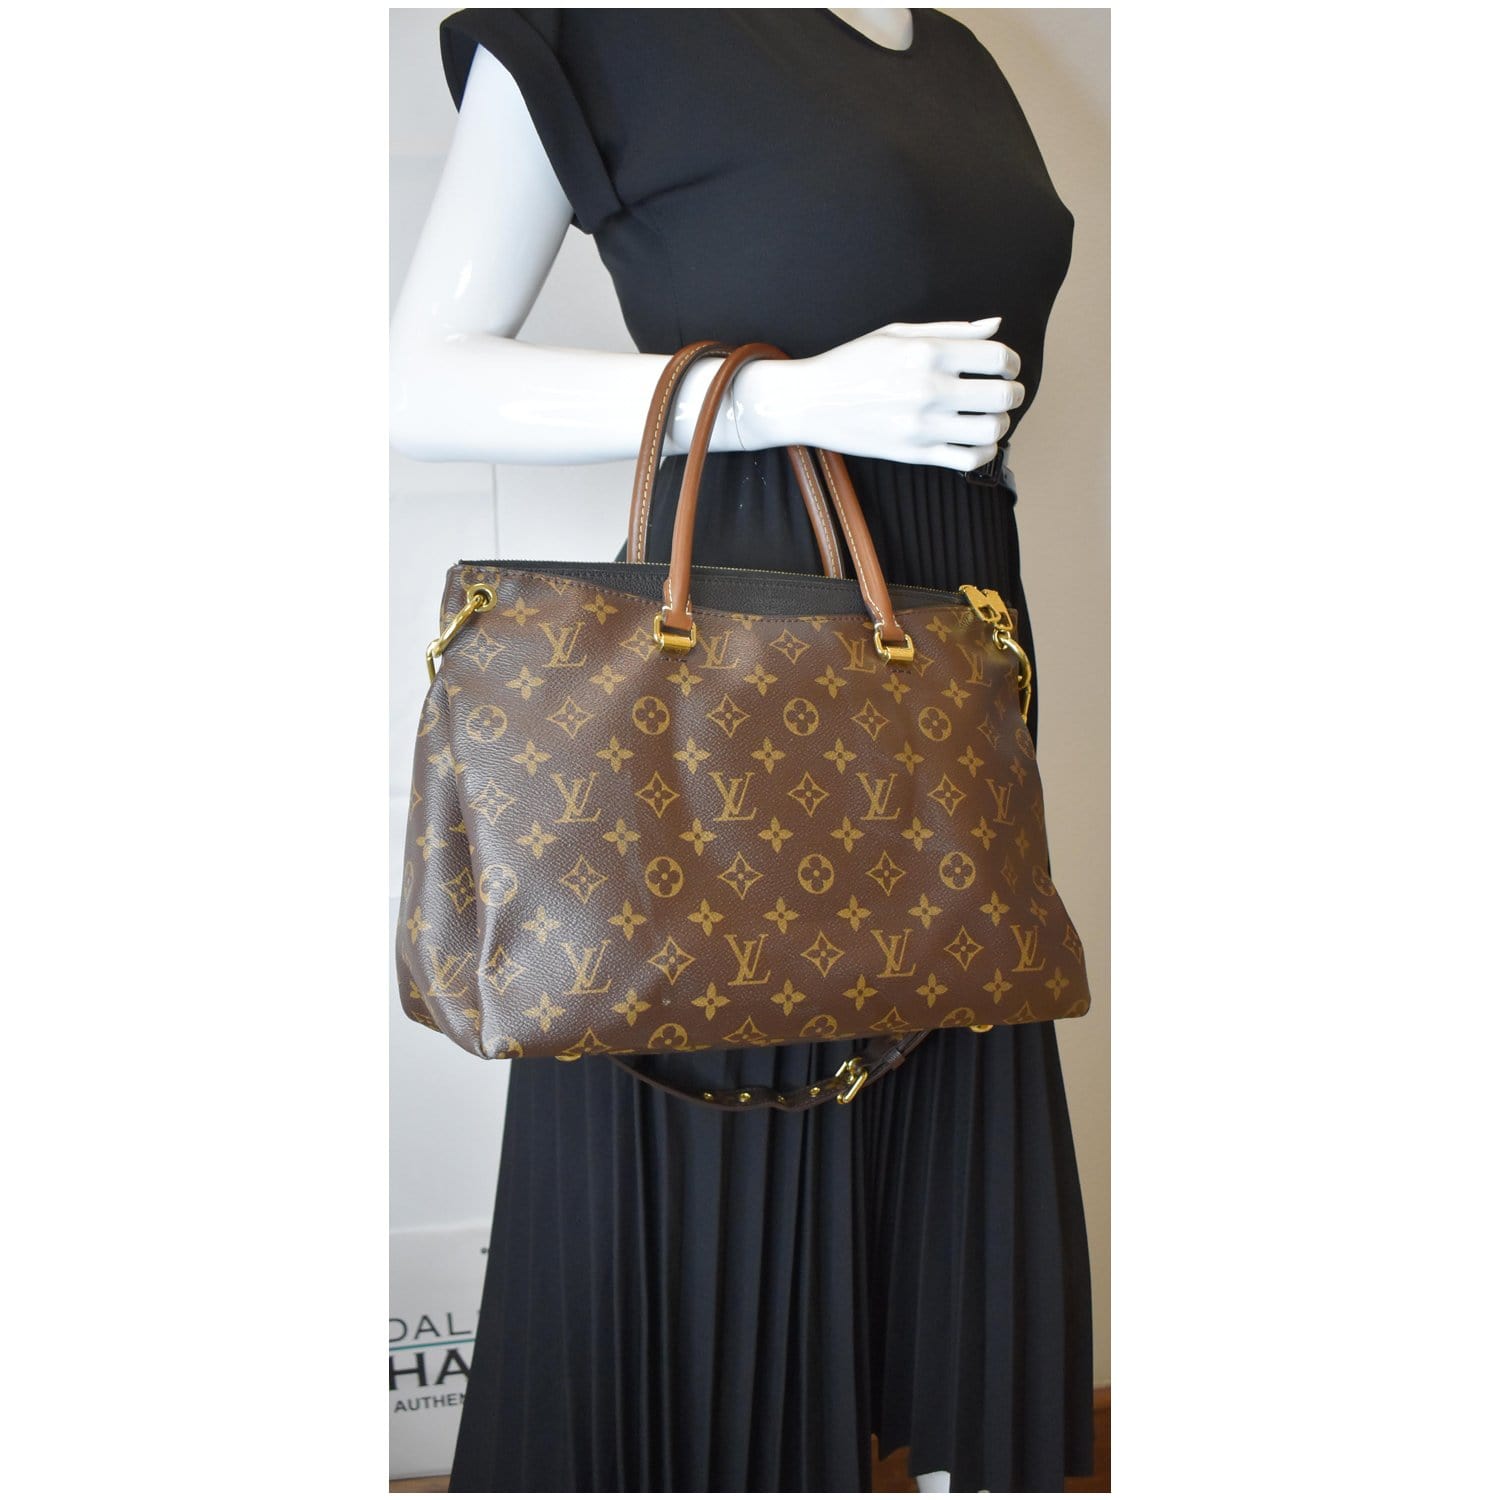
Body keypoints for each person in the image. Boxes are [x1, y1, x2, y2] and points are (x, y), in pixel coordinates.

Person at [390, 8, 1094, 1491]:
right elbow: (414, 382)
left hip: (950, 686)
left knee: (943, 1113)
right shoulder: (605, 26)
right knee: (711, 1146)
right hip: (733, 716)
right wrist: (784, 397)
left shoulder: (956, 48)